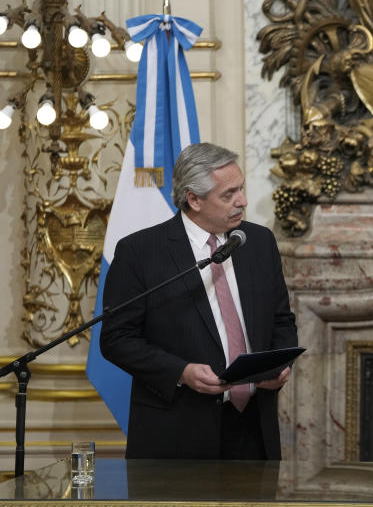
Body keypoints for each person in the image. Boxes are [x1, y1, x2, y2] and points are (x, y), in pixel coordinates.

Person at [100, 143, 298, 460]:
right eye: (228, 194)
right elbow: (116, 338)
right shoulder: (141, 252)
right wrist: (181, 371)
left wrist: (279, 366)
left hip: (253, 429)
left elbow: (281, 321)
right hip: (177, 430)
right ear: (193, 199)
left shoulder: (259, 242)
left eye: (241, 189)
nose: (242, 201)